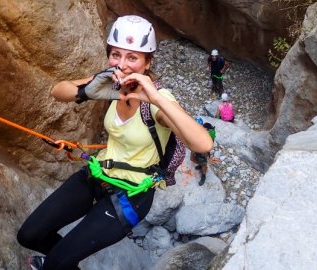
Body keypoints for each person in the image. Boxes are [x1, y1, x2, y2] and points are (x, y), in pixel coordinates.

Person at [17, 15, 213, 270]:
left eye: (132, 57)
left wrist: (155, 98)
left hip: (131, 195)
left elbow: (203, 144)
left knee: (55, 264)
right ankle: (60, 263)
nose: (122, 64)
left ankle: (57, 264)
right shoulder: (111, 83)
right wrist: (86, 91)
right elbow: (57, 91)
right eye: (116, 55)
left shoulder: (158, 104)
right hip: (97, 175)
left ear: (147, 61)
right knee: (29, 235)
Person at [190, 118, 215, 186]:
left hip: (203, 151)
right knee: (199, 160)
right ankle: (200, 166)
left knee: (203, 163)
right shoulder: (205, 130)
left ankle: (203, 175)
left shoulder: (207, 135)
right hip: (200, 150)